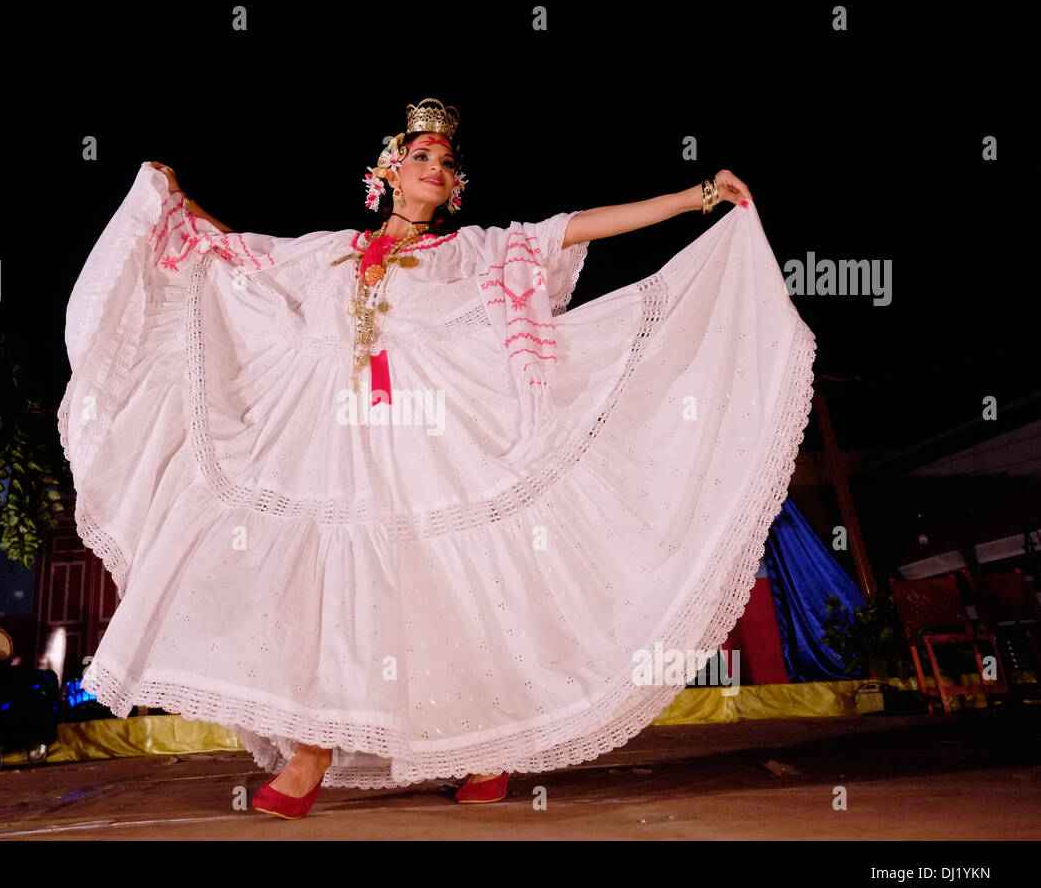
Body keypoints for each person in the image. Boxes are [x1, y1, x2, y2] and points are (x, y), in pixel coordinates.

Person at [58, 98, 816, 820]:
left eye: (447, 162)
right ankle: (311, 752)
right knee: (323, 578)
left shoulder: (474, 254)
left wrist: (696, 196)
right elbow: (235, 257)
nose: (434, 166)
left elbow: (574, 229)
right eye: (419, 154)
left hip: (430, 440)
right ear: (386, 173)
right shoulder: (327, 254)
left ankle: (488, 745)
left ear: (455, 188)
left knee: (449, 585)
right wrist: (174, 204)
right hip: (325, 438)